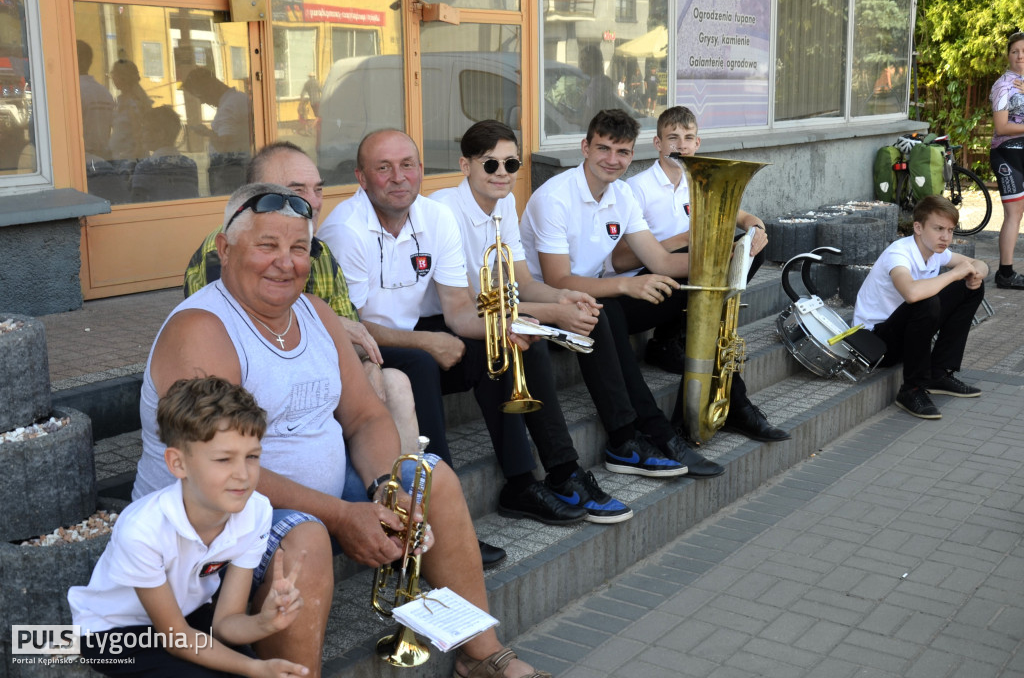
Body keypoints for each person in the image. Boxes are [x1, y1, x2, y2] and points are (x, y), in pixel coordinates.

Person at [133, 182, 552, 678]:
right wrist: (340, 515)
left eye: (298, 248)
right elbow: (222, 470)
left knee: (428, 477)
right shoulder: (204, 327)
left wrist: (382, 491)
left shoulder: (316, 314)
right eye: (266, 246)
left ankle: (479, 655)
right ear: (225, 249)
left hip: (322, 499)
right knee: (306, 538)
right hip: (217, 522)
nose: (285, 262)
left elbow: (366, 416)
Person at [317, 129, 592, 527]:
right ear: (361, 178)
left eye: (407, 166)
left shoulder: (434, 216)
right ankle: (445, 514)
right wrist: (428, 341)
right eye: (384, 168)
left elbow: (459, 311)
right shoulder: (346, 230)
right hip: (360, 347)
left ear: (421, 171)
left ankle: (521, 482)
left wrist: (511, 325)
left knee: (505, 345)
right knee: (420, 363)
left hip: (414, 329)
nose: (398, 177)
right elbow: (351, 328)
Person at [520, 109, 787, 453]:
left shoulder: (621, 194)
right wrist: (625, 285)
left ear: (633, 154)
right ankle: (653, 432)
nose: (613, 160)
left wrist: (730, 260)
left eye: (623, 152)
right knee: (609, 314)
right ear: (585, 147)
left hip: (599, 295)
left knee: (732, 267)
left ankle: (717, 404)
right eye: (604, 149)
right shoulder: (554, 198)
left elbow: (659, 262)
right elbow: (558, 281)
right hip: (555, 306)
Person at [428, 119, 633, 523]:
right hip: (446, 319)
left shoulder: (504, 202)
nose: (502, 173)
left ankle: (619, 442)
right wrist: (549, 313)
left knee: (589, 312)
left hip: (486, 312)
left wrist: (564, 296)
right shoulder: (442, 210)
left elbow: (520, 281)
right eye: (490, 165)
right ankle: (561, 471)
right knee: (524, 342)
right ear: (465, 165)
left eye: (511, 164)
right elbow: (465, 303)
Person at [183, 141, 419, 468]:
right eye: (296, 190)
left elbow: (357, 337)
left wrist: (367, 364)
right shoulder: (223, 254)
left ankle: (400, 490)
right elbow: (247, 347)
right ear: (254, 195)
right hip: (256, 409)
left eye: (318, 189)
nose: (313, 202)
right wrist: (335, 331)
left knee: (396, 383)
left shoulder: (319, 253)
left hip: (317, 385)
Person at [70, 376, 309, 677]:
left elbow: (225, 622)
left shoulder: (256, 511)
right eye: (223, 459)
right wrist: (254, 667)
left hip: (188, 617)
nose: (243, 475)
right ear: (178, 463)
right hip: (115, 633)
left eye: (252, 457)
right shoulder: (142, 529)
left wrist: (265, 622)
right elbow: (175, 639)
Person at [611, 106, 768, 374]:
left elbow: (741, 217)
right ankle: (667, 341)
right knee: (699, 254)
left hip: (679, 280)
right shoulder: (636, 188)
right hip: (640, 288)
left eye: (688, 138)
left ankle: (686, 333)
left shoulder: (699, 182)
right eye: (673, 138)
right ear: (658, 143)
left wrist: (757, 230)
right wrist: (679, 240)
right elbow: (619, 261)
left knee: (750, 250)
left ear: (697, 144)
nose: (680, 146)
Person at [853, 195, 987, 420]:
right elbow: (912, 293)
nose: (946, 237)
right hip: (876, 344)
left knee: (971, 287)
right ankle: (911, 389)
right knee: (925, 298)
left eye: (951, 230)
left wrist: (977, 274)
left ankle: (939, 373)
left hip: (904, 333)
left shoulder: (935, 252)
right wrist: (955, 273)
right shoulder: (899, 254)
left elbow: (979, 264)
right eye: (938, 229)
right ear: (918, 227)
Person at [180, 67, 251, 195]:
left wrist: (206, 132)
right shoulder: (239, 98)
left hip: (228, 172)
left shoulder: (229, 107)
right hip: (238, 168)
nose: (202, 102)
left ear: (209, 86)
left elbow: (225, 146)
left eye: (200, 95)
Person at [989, 32, 1024, 289]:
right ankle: (1005, 273)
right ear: (1008, 55)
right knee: (1014, 215)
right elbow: (1001, 127)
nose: (1020, 56)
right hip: (1007, 154)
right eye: (1015, 52)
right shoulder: (1003, 85)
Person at [131, 105, 200, 202]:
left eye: (145, 129)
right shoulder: (190, 164)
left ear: (161, 134)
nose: (140, 134)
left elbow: (137, 205)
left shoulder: (145, 167)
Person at [109, 59, 153, 163]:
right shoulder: (121, 100)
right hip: (120, 158)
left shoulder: (133, 103)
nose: (112, 78)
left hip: (129, 160)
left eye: (114, 74)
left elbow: (138, 138)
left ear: (123, 77)